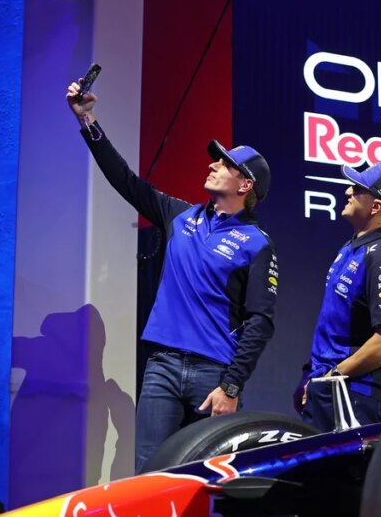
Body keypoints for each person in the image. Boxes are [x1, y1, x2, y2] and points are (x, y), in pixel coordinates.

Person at [66, 79, 279, 473]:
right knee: (149, 476)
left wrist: (231, 386)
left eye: (224, 164)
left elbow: (260, 322)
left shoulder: (256, 243)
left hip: (214, 376)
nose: (212, 164)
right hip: (161, 368)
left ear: (245, 184)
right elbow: (125, 180)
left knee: (208, 480)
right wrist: (87, 119)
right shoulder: (180, 216)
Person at [296, 162, 381, 431]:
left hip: (352, 392)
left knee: (343, 462)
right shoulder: (351, 247)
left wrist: (334, 376)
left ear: (376, 207)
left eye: (358, 189)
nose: (348, 191)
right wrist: (311, 377)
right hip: (327, 386)